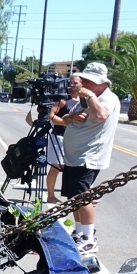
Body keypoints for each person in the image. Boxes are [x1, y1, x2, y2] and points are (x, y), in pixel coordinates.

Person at [61, 62, 119, 254]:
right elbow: (68, 119)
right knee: (75, 198)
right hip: (74, 157)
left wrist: (91, 96)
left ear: (102, 83)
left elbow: (101, 114)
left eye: (89, 81)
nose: (84, 83)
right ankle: (79, 233)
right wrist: (73, 117)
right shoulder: (87, 98)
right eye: (84, 79)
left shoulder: (107, 98)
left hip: (88, 157)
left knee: (83, 197)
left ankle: (88, 238)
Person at [43, 75, 82, 203]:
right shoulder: (63, 99)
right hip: (58, 137)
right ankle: (50, 196)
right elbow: (51, 116)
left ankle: (78, 195)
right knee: (56, 167)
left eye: (75, 83)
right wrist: (65, 123)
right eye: (70, 82)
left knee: (76, 168)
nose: (71, 85)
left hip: (75, 139)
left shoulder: (84, 101)